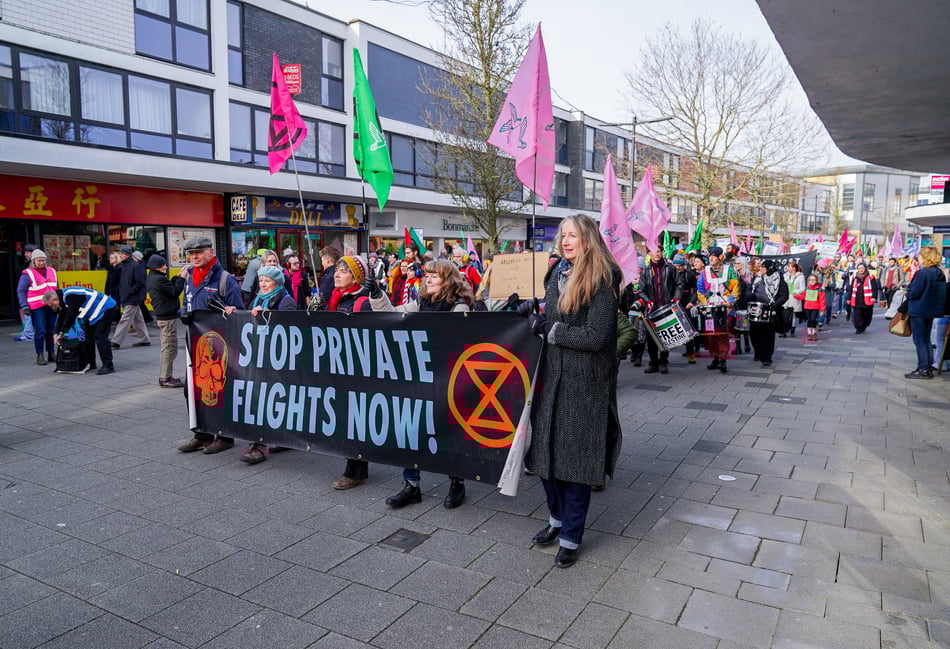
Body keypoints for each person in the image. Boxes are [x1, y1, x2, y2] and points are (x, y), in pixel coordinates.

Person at [523, 214, 622, 569]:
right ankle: (556, 521)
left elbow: (596, 337)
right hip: (552, 379)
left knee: (575, 465)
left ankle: (571, 536)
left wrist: (550, 330)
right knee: (545, 459)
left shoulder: (603, 279)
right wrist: (531, 311)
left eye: (573, 235)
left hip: (584, 384)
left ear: (588, 238)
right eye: (562, 235)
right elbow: (549, 315)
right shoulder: (555, 273)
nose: (566, 241)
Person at [362, 259, 472, 509]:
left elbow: (461, 343)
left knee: (447, 431)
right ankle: (411, 485)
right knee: (411, 429)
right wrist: (377, 293)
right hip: (418, 378)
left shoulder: (458, 307)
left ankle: (457, 482)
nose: (428, 279)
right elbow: (391, 314)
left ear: (449, 280)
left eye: (435, 276)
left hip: (445, 379)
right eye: (427, 275)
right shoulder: (420, 303)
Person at [176, 236, 244, 454]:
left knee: (220, 389)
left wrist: (223, 313)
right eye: (190, 253)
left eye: (198, 252)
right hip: (195, 345)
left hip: (219, 348)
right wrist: (184, 314)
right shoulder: (190, 278)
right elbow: (187, 304)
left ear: (211, 252)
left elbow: (238, 313)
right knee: (192, 390)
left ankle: (225, 436)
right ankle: (202, 434)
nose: (194, 257)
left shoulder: (225, 279)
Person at [229, 265, 298, 462]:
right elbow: (246, 319)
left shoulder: (287, 301)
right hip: (259, 357)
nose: (263, 285)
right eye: (261, 281)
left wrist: (267, 314)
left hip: (278, 360)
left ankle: (261, 446)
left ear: (277, 283)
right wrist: (235, 312)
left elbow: (291, 327)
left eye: (267, 281)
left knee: (271, 401)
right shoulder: (258, 299)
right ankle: (265, 441)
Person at [322, 255, 374, 489]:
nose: (337, 274)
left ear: (356, 277)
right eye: (337, 270)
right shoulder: (335, 298)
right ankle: (353, 466)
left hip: (357, 369)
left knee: (356, 419)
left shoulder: (361, 301)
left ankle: (356, 469)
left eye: (343, 271)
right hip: (338, 366)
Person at [44, 287, 119, 375]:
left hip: (107, 308)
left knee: (100, 337)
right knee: (88, 337)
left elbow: (70, 316)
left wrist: (62, 333)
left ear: (55, 299)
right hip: (95, 314)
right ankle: (91, 363)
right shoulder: (64, 297)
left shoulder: (71, 296)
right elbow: (62, 315)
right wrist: (56, 334)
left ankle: (108, 366)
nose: (53, 307)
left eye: (52, 305)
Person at [635, 247, 685, 374]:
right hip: (652, 309)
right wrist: (648, 301)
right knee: (651, 338)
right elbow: (641, 290)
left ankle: (663, 361)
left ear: (662, 252)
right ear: (649, 253)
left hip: (667, 306)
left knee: (665, 336)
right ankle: (653, 362)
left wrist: (675, 298)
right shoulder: (646, 270)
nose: (656, 254)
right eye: (653, 251)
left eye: (658, 251)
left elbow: (679, 284)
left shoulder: (670, 268)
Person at [904, 246, 948, 379]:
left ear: (926, 257)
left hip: (919, 310)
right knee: (926, 339)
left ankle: (923, 369)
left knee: (919, 340)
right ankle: (927, 366)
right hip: (931, 310)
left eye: (921, 256)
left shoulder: (922, 273)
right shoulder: (939, 273)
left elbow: (914, 293)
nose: (919, 258)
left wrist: (908, 292)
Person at [696, 247, 738, 372]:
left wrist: (731, 302)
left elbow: (735, 287)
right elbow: (700, 290)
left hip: (726, 309)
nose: (711, 258)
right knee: (711, 336)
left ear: (721, 257)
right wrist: (705, 302)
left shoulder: (729, 271)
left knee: (723, 335)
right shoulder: (705, 272)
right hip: (710, 308)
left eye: (714, 256)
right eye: (710, 256)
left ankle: (723, 359)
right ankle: (715, 358)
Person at [146, 254, 186, 388]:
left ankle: (166, 375)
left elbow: (168, 289)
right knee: (169, 347)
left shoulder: (154, 278)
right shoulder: (158, 280)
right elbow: (175, 291)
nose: (166, 267)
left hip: (164, 316)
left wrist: (177, 277)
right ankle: (165, 377)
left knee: (168, 347)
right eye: (163, 265)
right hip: (167, 317)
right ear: (156, 267)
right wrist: (181, 278)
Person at [17, 249, 58, 365]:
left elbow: (56, 288)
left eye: (43, 260)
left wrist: (58, 303)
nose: (41, 263)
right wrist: (24, 306)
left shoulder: (51, 271)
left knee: (51, 330)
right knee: (40, 330)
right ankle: (40, 355)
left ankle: (51, 353)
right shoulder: (27, 274)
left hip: (51, 305)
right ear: (33, 261)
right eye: (39, 261)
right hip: (36, 306)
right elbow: (21, 291)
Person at [746, 260, 789, 367]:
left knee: (768, 335)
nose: (761, 269)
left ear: (770, 268)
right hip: (755, 309)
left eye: (764, 267)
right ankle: (757, 350)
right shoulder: (757, 279)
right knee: (753, 333)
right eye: (761, 267)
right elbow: (748, 290)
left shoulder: (780, 281)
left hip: (770, 310)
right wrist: (749, 295)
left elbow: (784, 295)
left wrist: (775, 305)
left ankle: (766, 357)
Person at [112, 245, 150, 349]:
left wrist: (130, 292)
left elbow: (140, 282)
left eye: (122, 253)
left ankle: (116, 341)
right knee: (138, 319)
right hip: (128, 296)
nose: (120, 255)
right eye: (120, 253)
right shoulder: (124, 265)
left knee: (125, 320)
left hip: (132, 298)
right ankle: (145, 339)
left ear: (127, 254)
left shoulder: (135, 266)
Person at [848, 262, 878, 334]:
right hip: (857, 300)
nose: (861, 270)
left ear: (865, 269)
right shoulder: (854, 278)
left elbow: (874, 288)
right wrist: (848, 298)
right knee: (857, 315)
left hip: (867, 300)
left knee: (867, 315)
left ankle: (864, 325)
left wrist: (874, 297)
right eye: (859, 268)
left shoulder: (871, 277)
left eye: (862, 268)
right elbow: (851, 289)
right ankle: (858, 328)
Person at [782, 262, 805, 338]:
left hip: (794, 297)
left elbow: (802, 288)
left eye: (789, 267)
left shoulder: (800, 276)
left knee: (793, 314)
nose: (788, 268)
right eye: (787, 267)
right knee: (784, 314)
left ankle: (792, 330)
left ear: (794, 268)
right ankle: (784, 331)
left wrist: (796, 292)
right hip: (785, 297)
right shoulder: (785, 276)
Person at [801, 273, 826, 342]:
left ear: (816, 281)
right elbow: (803, 296)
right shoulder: (806, 288)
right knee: (809, 320)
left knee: (813, 319)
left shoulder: (819, 289)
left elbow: (822, 299)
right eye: (810, 280)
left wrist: (822, 309)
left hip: (815, 307)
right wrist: (795, 295)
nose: (812, 281)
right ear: (808, 281)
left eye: (813, 280)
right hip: (807, 307)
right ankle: (809, 333)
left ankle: (814, 332)